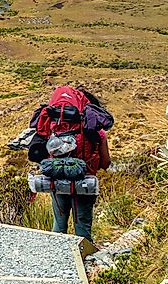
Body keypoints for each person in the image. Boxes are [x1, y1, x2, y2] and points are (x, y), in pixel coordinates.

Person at [28, 85, 112, 243]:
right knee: (83, 228)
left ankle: (56, 259)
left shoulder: (55, 128)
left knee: (58, 226)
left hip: (57, 181)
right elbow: (106, 163)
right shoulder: (97, 132)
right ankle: (84, 259)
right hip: (85, 184)